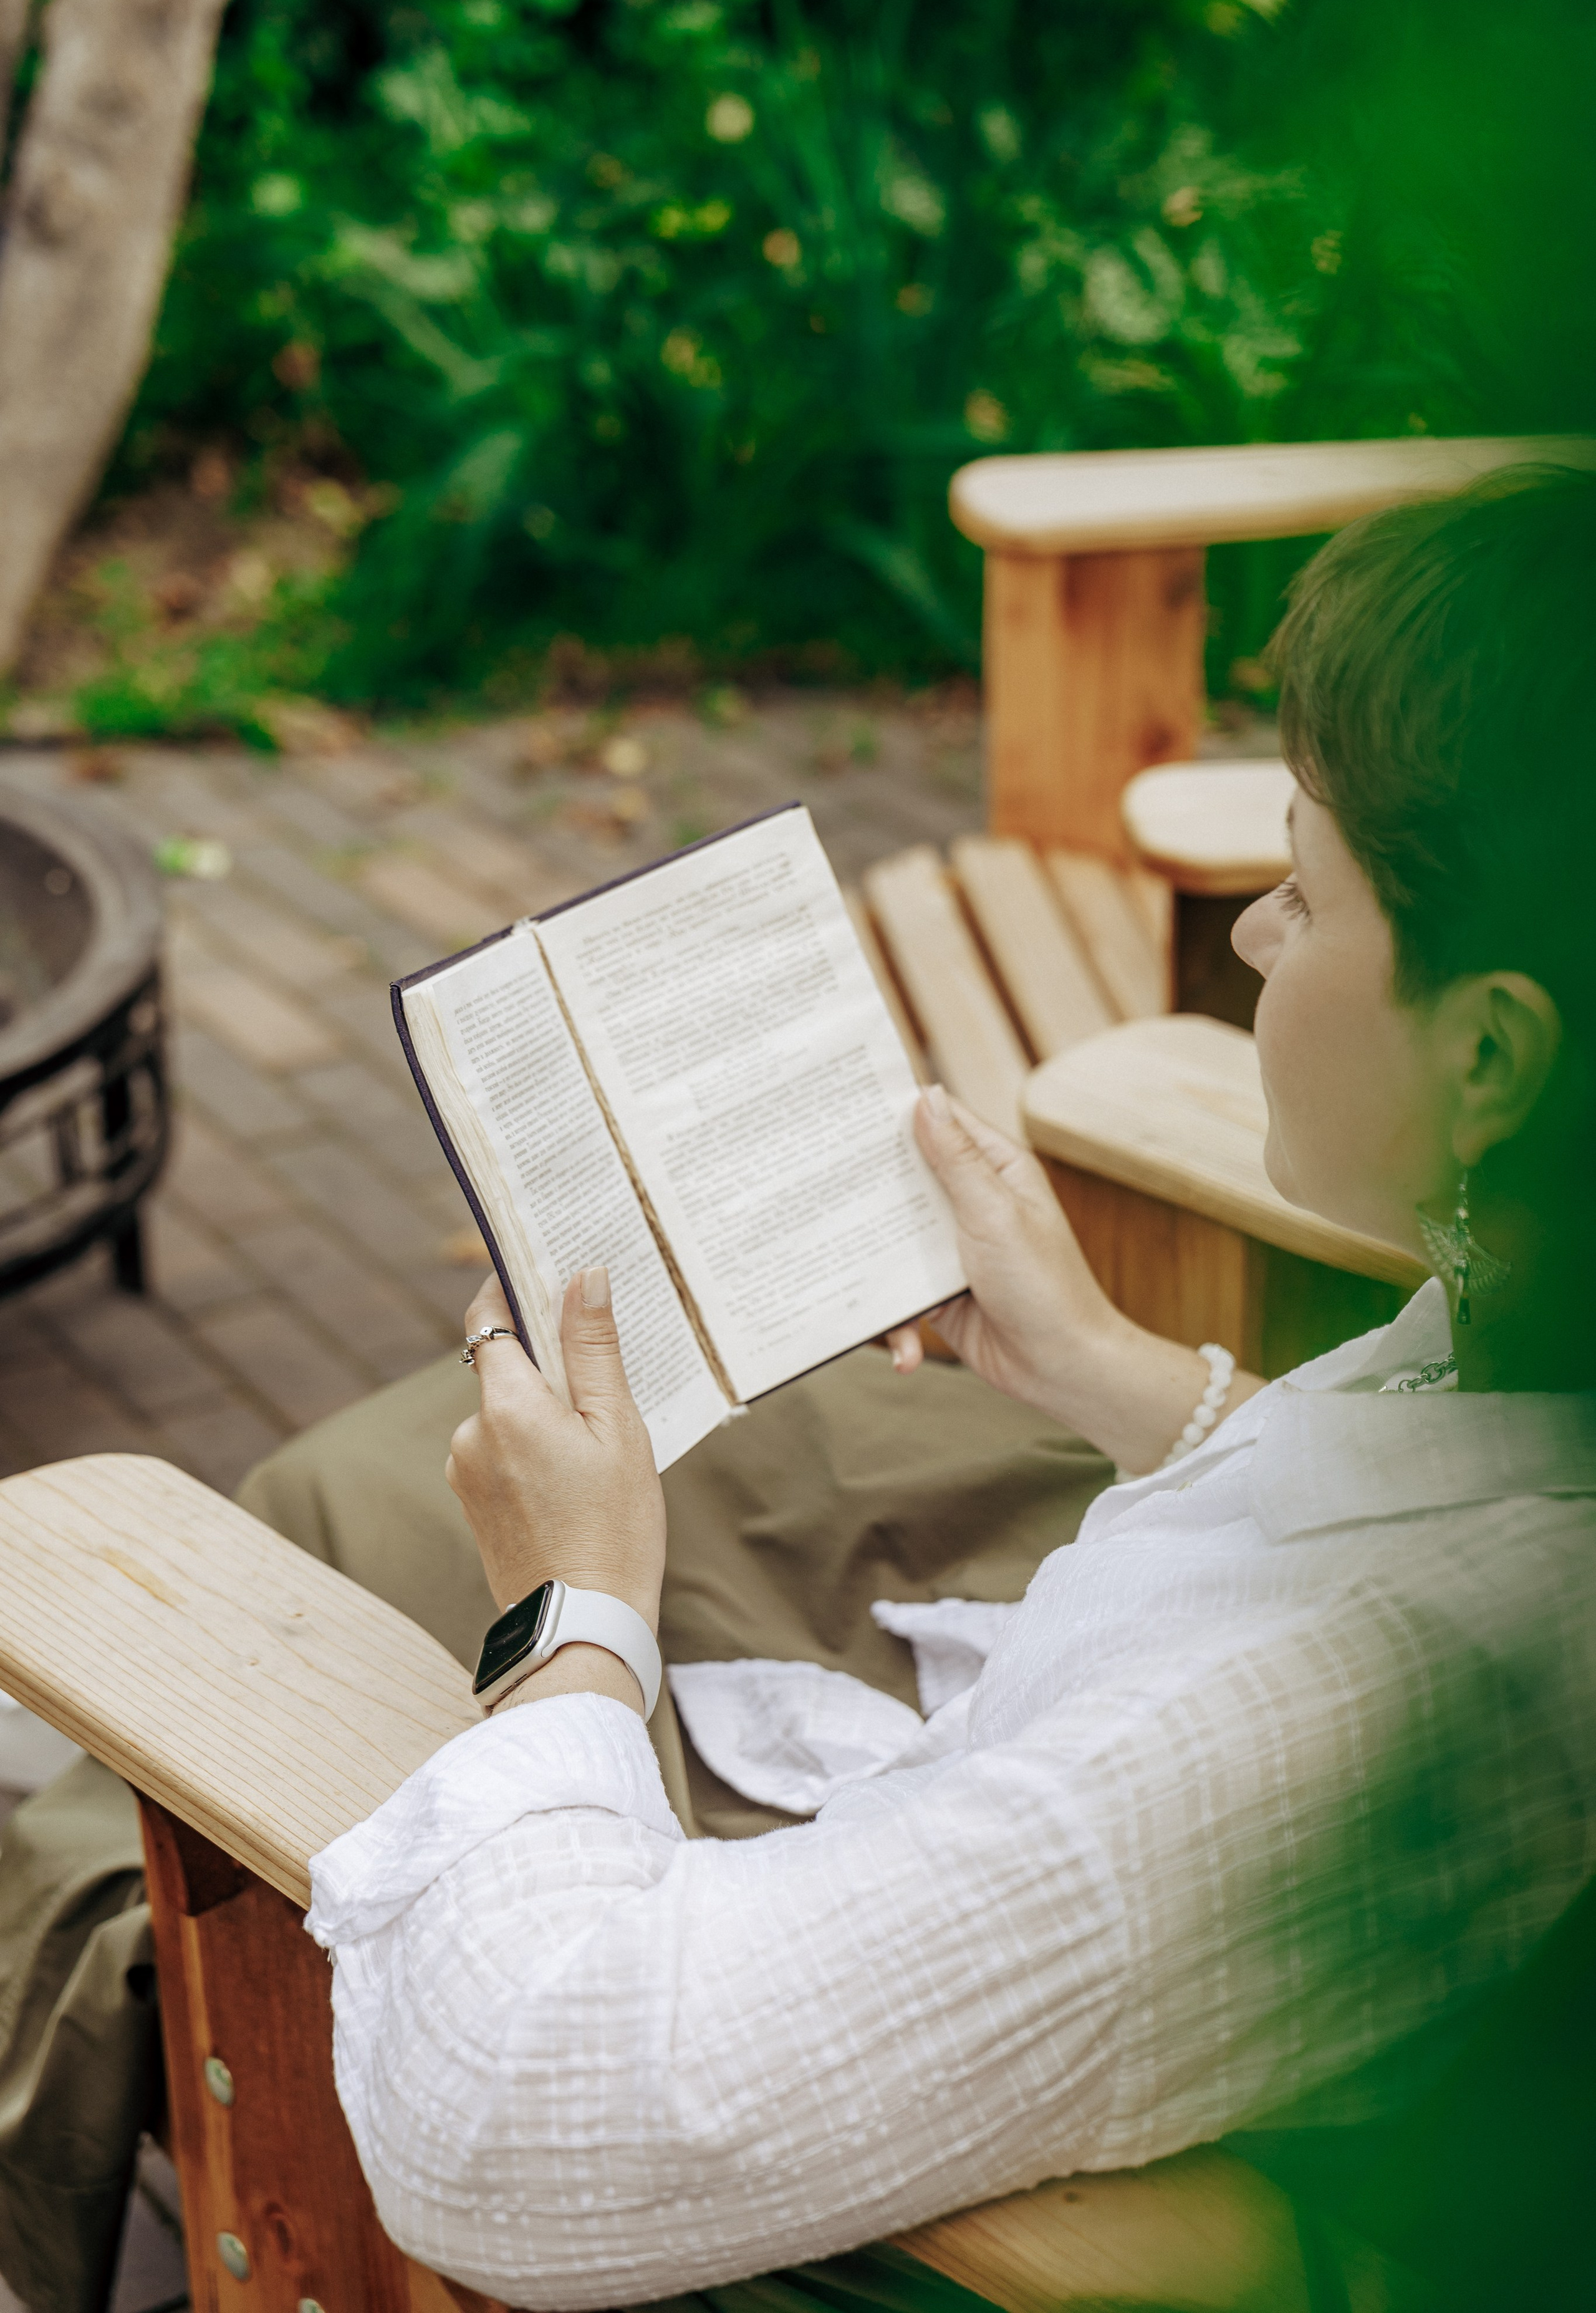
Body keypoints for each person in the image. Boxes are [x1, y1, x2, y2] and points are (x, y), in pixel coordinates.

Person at [304, 465, 1596, 2311]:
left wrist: (569, 1609)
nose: (1249, 937)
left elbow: (518, 2124)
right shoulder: (1541, 1329)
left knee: (333, 1578)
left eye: (1305, 893)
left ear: (1489, 1054)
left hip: (827, 2111)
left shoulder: (1330, 1734)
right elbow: (1430, 1489)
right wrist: (1115, 1371)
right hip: (1044, 1650)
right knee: (418, 1473)